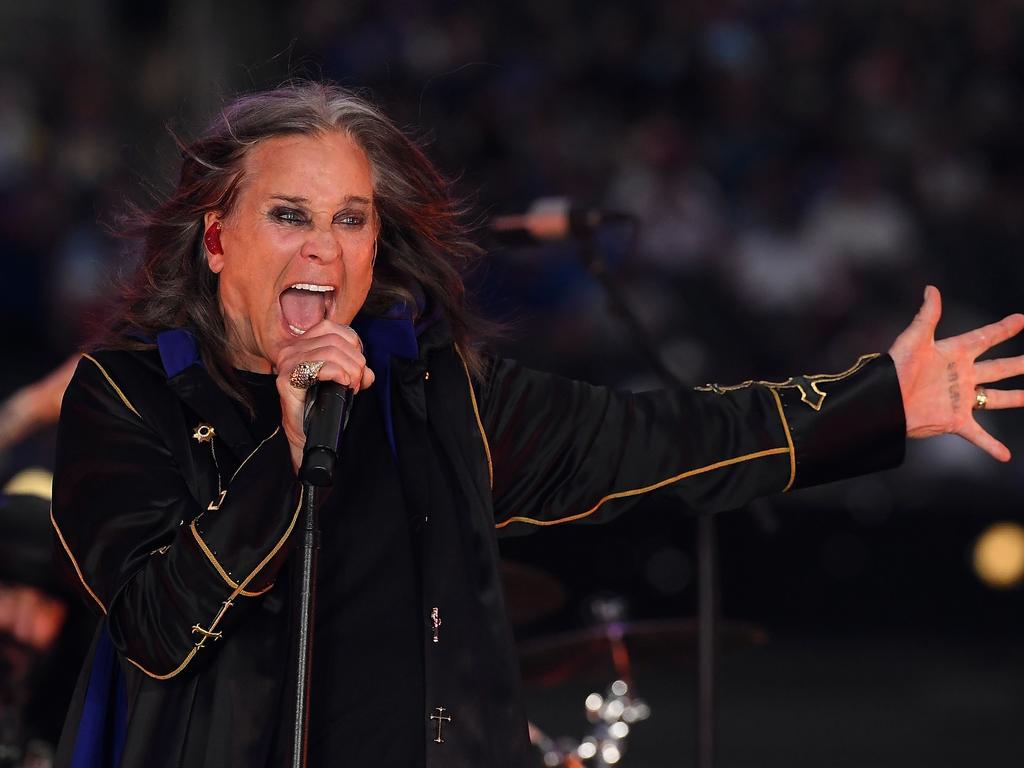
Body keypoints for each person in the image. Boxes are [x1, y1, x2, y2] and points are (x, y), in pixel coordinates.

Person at [50, 82, 1024, 768]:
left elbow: (662, 439)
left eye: (352, 220)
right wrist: (288, 454)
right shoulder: (128, 397)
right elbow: (156, 628)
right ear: (217, 238)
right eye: (289, 216)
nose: (324, 249)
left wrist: (877, 402)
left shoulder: (432, 395)